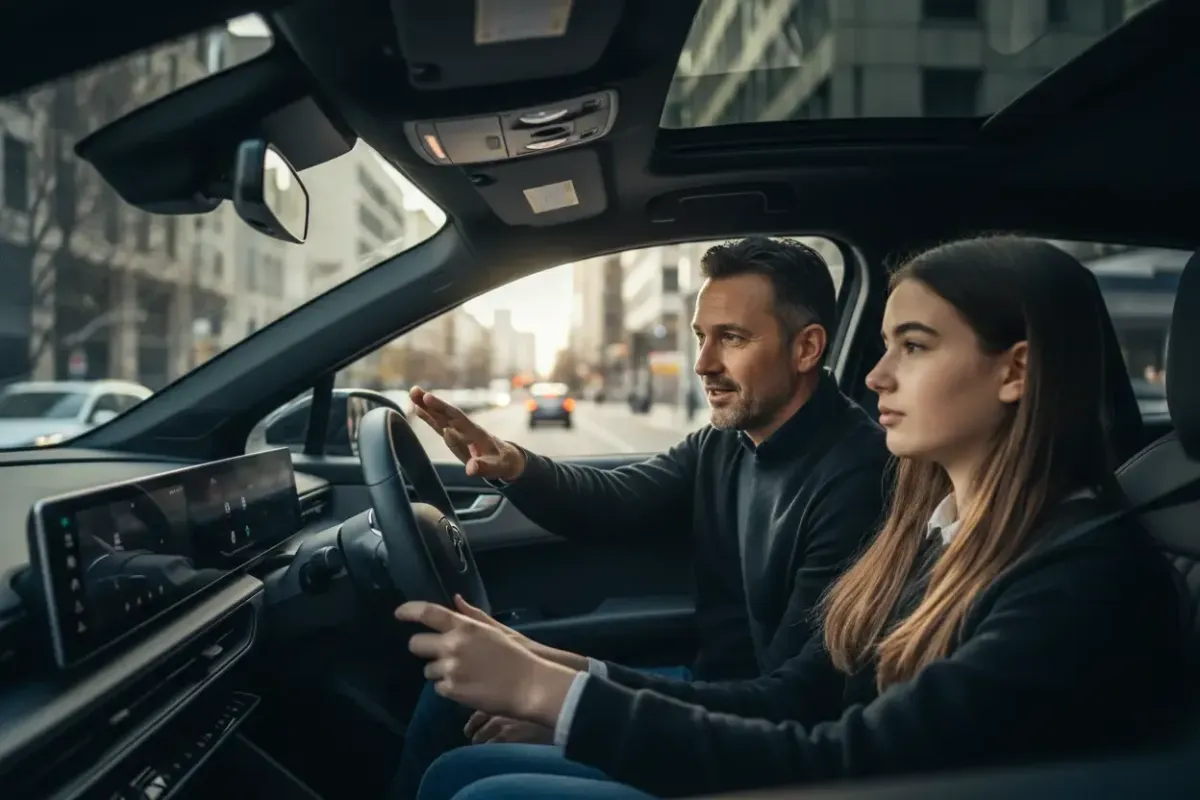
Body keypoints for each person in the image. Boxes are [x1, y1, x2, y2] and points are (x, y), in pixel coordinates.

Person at [399, 236, 1188, 800]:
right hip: (793, 754)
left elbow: (838, 747)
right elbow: (813, 692)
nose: (875, 374)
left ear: (1016, 369)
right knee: (461, 768)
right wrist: (550, 678)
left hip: (814, 774)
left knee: (474, 786)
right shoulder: (938, 531)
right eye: (883, 345)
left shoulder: (1078, 575)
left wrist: (562, 698)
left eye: (912, 346)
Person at [387, 237, 890, 798]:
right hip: (710, 694)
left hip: (750, 744)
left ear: (807, 348)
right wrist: (516, 465)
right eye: (702, 337)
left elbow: (793, 703)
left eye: (732, 338)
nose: (704, 363)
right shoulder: (726, 444)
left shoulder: (856, 479)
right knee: (448, 701)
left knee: (468, 786)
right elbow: (615, 500)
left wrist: (563, 699)